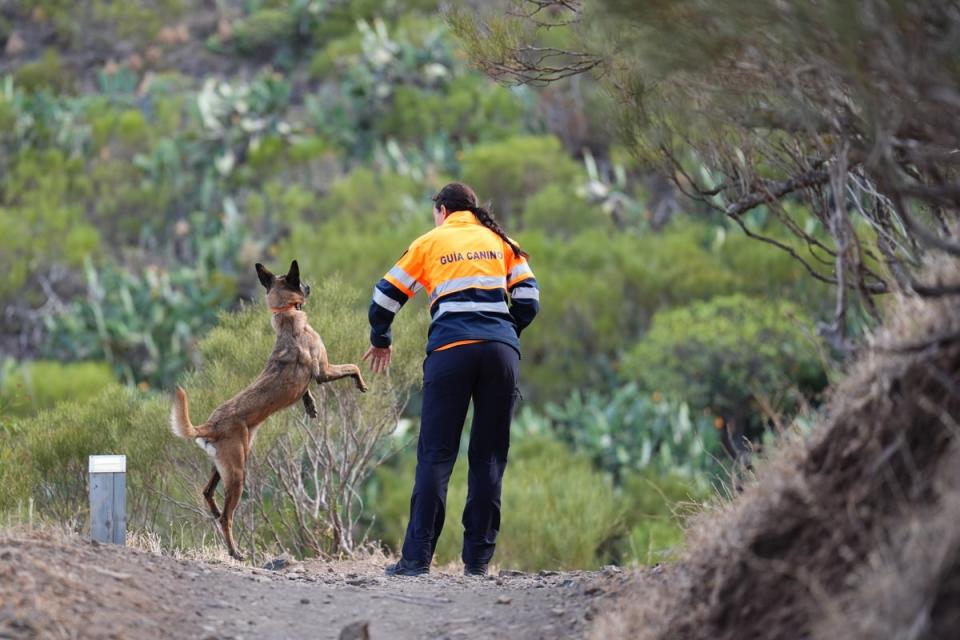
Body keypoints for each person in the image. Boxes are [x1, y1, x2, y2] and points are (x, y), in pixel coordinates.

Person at [363, 182, 540, 577]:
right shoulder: (501, 241)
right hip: (501, 353)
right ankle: (477, 563)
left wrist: (381, 340)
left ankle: (416, 561)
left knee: (436, 456)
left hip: (449, 351)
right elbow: (529, 300)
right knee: (489, 457)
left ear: (442, 211)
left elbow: (383, 299)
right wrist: (504, 336)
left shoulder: (429, 242)